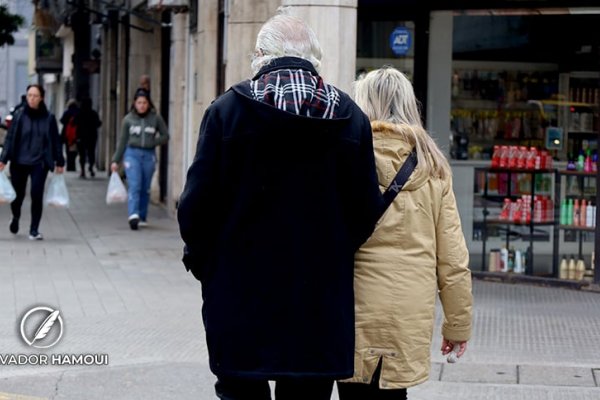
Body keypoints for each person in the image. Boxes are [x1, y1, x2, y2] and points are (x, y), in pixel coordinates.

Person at [177, 12, 382, 400]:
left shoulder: (226, 112)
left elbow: (195, 206)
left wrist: (206, 265)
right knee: (308, 391)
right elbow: (366, 209)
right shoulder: (352, 119)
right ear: (313, 57)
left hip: (239, 293)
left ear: (260, 56)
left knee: (241, 390)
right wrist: (334, 251)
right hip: (318, 299)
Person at [336, 67, 473, 399]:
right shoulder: (433, 166)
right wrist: (457, 325)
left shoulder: (343, 156)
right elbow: (453, 260)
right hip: (408, 309)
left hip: (351, 306)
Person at [0, 84, 65, 240]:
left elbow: (56, 141)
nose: (32, 98)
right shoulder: (19, 115)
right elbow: (10, 139)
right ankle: (16, 217)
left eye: (35, 96)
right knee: (18, 195)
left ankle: (34, 229)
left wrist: (60, 162)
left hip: (39, 162)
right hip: (19, 161)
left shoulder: (49, 118)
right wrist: (3, 159)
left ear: (41, 98)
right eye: (29, 95)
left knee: (36, 194)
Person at [111, 88, 168, 230]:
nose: (142, 105)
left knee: (145, 188)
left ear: (149, 104)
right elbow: (122, 141)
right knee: (135, 185)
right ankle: (133, 215)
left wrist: (152, 142)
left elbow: (165, 135)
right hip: (132, 154)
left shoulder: (155, 118)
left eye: (144, 102)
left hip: (149, 155)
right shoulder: (128, 120)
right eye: (139, 102)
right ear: (134, 104)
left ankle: (142, 215)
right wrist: (115, 160)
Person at [74, 98, 102, 178]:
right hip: (91, 136)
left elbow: (75, 123)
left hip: (81, 136)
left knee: (82, 154)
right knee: (91, 153)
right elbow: (98, 123)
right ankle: (91, 167)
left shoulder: (79, 113)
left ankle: (83, 170)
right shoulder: (93, 113)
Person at [59, 99, 79, 172]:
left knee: (68, 151)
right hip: (76, 134)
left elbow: (62, 121)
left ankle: (69, 166)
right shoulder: (78, 112)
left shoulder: (67, 112)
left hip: (67, 135)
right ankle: (73, 165)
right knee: (74, 151)